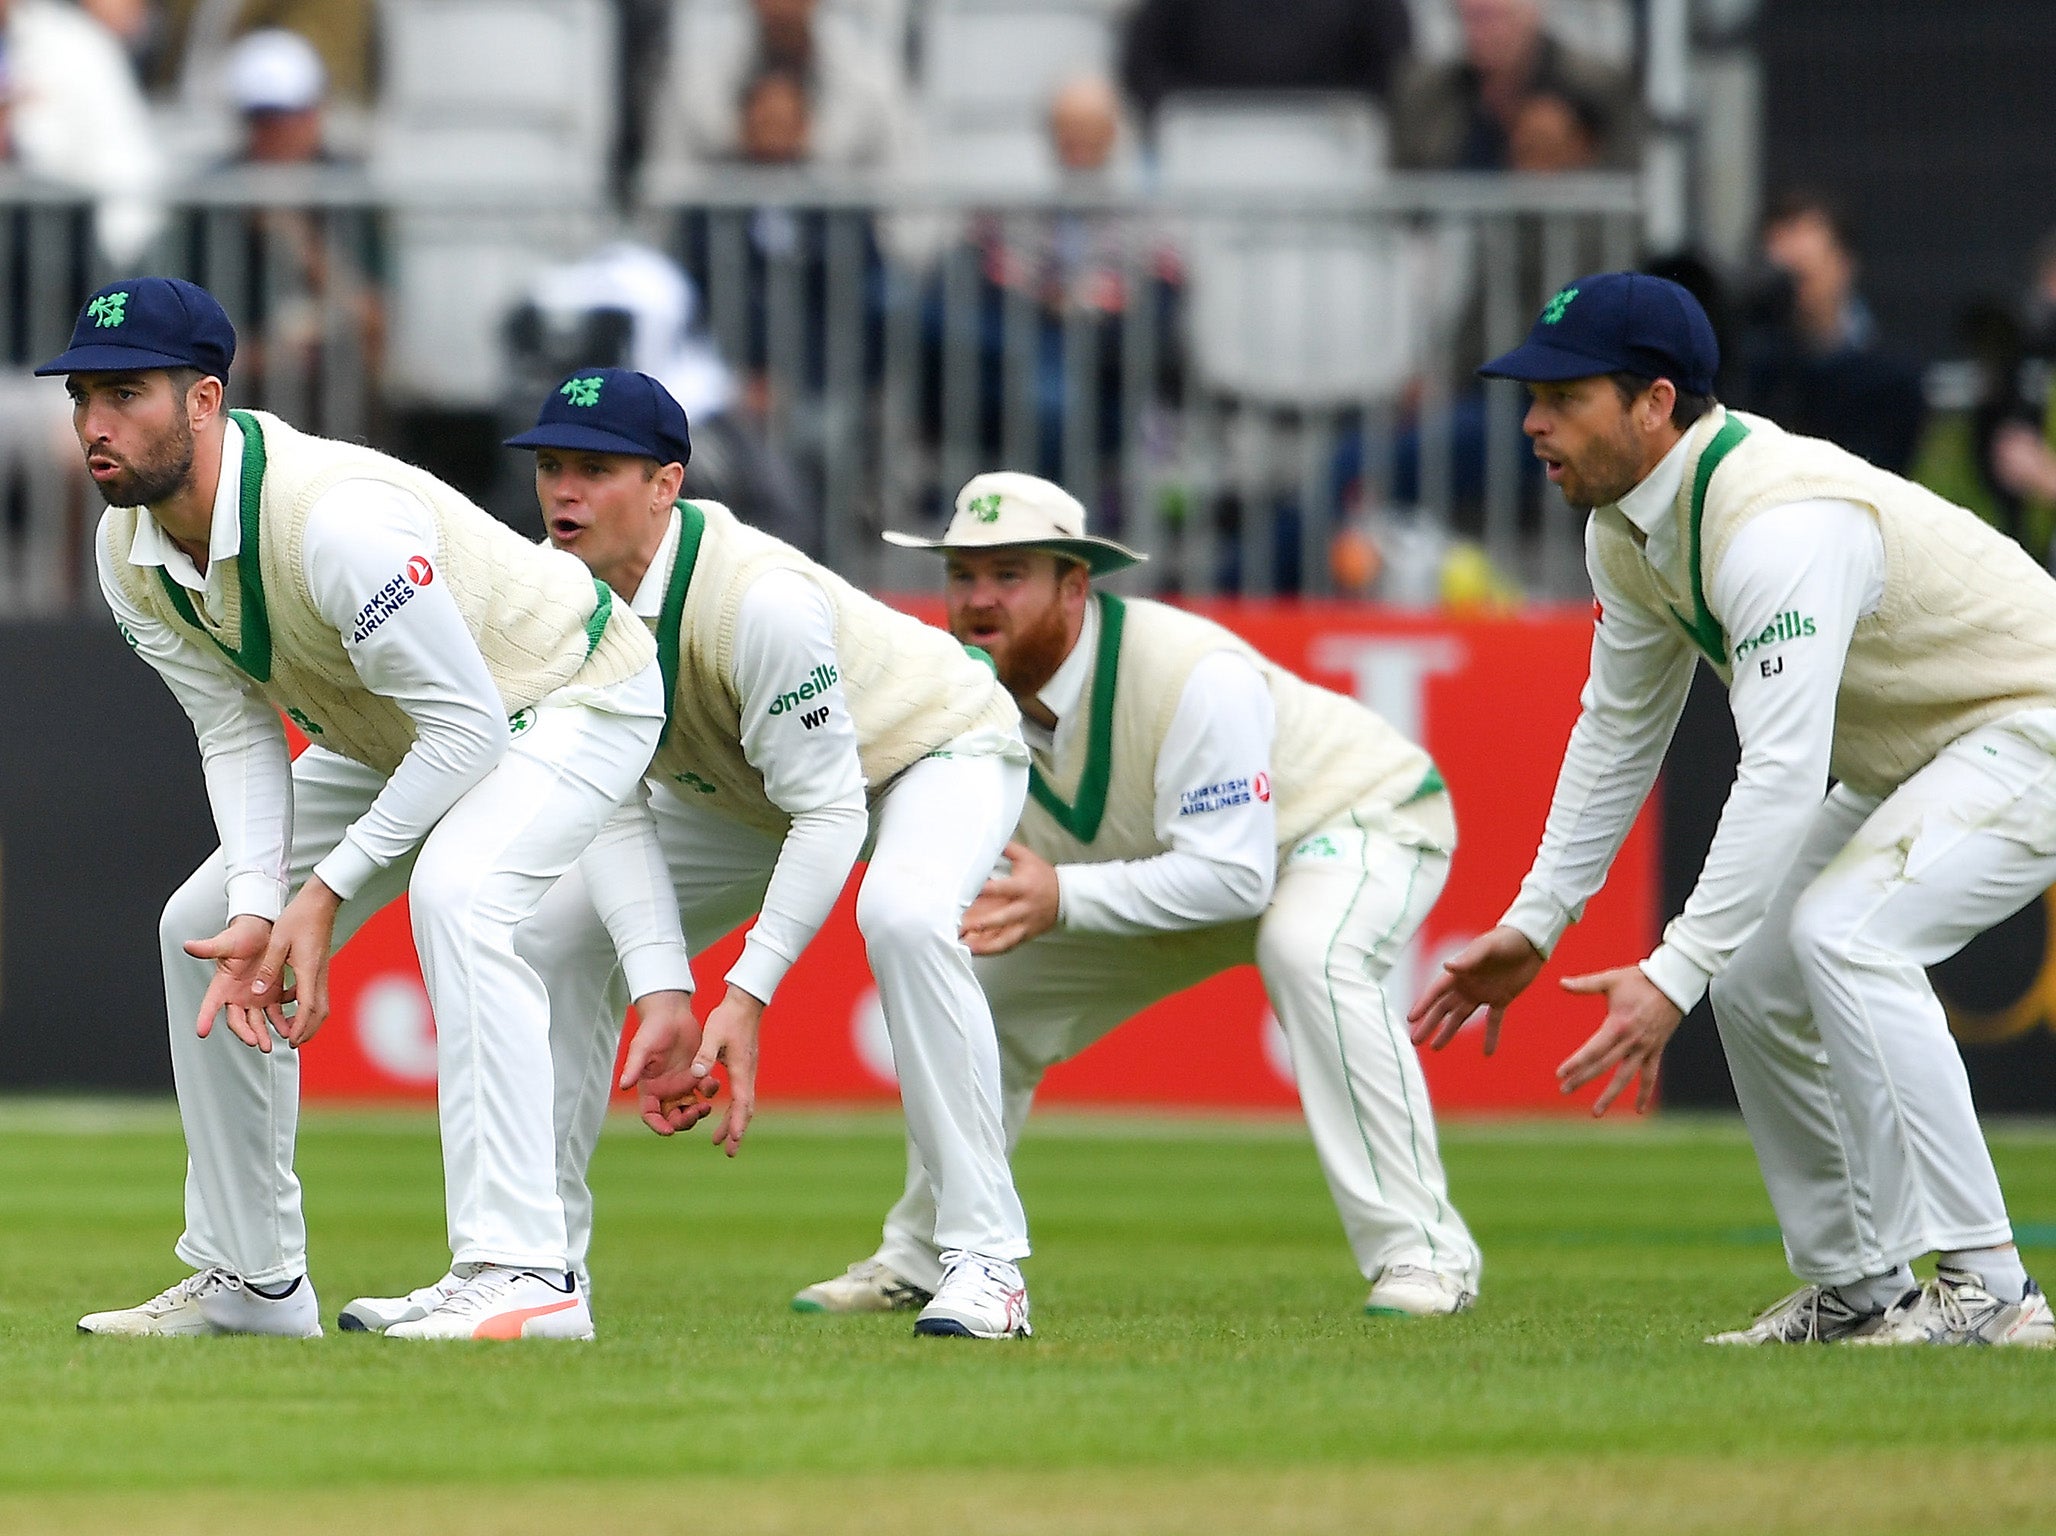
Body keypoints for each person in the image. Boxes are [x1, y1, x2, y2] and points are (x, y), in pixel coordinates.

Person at [1409, 271, 2056, 1348]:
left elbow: (1783, 772)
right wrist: (1537, 919)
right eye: (1532, 396)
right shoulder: (1624, 528)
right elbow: (1617, 734)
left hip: (2030, 722)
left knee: (1843, 935)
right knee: (1754, 967)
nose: (1532, 422)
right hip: (1926, 753)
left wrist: (1669, 971)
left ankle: (1991, 1289)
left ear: (1654, 404)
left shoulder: (1776, 526)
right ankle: (1862, 1291)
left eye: (1563, 398)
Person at [50, 279, 679, 1341]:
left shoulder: (335, 523)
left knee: (462, 894)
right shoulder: (130, 555)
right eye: (81, 399)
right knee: (196, 929)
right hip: (391, 730)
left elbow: (471, 731)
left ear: (204, 402)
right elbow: (237, 729)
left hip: (567, 691)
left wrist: (325, 893)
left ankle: (528, 1273)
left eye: (125, 394)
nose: (95, 426)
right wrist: (262, 902)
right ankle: (252, 1281)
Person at [792, 472, 1480, 1318]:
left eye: (1010, 575)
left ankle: (1426, 1256)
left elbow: (1236, 877)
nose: (978, 600)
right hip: (1165, 871)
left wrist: (1063, 899)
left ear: (1075, 586)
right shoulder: (953, 689)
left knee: (1307, 950)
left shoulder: (1193, 671)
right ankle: (931, 1254)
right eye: (963, 575)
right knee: (989, 1003)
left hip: (1350, 822)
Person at [470, 367, 1039, 1340]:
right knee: (546, 936)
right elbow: (606, 804)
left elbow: (828, 815)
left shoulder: (757, 602)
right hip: (745, 788)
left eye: (597, 469)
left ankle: (987, 1264)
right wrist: (662, 989)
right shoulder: (552, 601)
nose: (564, 491)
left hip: (931, 745)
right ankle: (536, 1269)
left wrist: (744, 993)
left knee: (902, 915)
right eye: (552, 466)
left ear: (666, 485)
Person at [1739, 190, 1926, 475]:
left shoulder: (1890, 376)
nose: (1788, 293)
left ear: (1844, 264)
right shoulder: (1753, 368)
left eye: (1802, 276)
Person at [1390, 0, 1641, 173]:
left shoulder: (1597, 87)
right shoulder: (1425, 91)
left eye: (1492, 17)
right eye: (1472, 17)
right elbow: (1401, 186)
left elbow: (1624, 185)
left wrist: (1563, 175)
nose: (1482, 32)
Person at [1, 0, 163, 264]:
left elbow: (42, 145)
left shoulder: (63, 43)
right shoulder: (51, 36)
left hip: (93, 237)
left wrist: (13, 115)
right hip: (68, 229)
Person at [1119, 0, 1413, 122]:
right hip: (1207, 153)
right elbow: (1144, 59)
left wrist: (1356, 114)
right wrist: (1183, 114)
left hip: (1334, 151)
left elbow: (1394, 60)